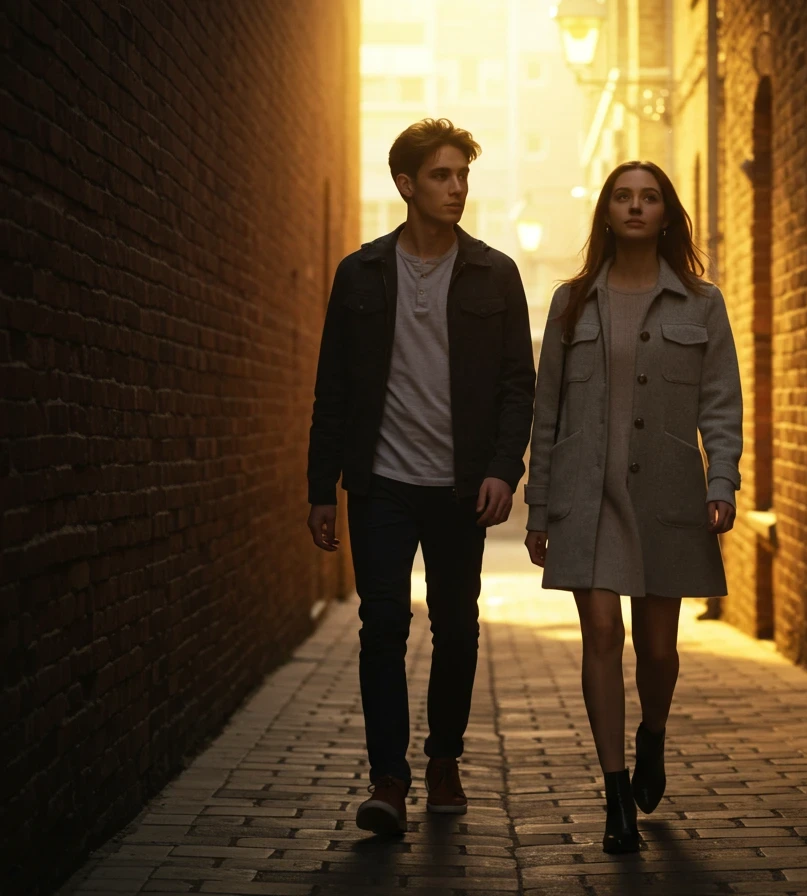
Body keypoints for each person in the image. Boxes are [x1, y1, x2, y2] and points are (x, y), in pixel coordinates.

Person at [306, 118, 534, 835]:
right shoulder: (361, 273)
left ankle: (443, 761)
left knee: (457, 627)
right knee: (382, 627)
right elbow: (333, 388)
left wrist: (503, 469)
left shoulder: (495, 272)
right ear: (406, 185)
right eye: (441, 175)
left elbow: (516, 386)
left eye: (463, 175)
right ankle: (389, 779)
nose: (457, 187)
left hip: (462, 487)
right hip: (382, 483)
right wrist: (321, 488)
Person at [524, 161, 743, 853]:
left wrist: (722, 482)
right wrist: (539, 509)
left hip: (667, 495)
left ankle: (652, 735)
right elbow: (547, 412)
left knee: (657, 649)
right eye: (623, 196)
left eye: (649, 197)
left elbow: (721, 404)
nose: (636, 207)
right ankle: (616, 793)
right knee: (601, 637)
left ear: (667, 213)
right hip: (586, 498)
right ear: (606, 212)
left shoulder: (701, 304)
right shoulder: (571, 302)